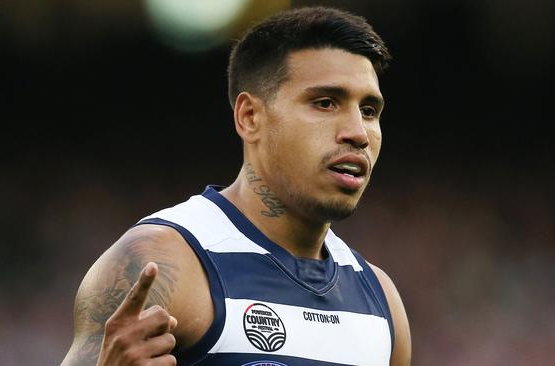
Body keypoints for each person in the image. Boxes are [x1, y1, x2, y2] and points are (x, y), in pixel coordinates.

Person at [62, 6, 411, 366]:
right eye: (325, 103)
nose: (357, 133)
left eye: (369, 111)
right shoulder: (162, 263)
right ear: (250, 117)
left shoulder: (382, 303)